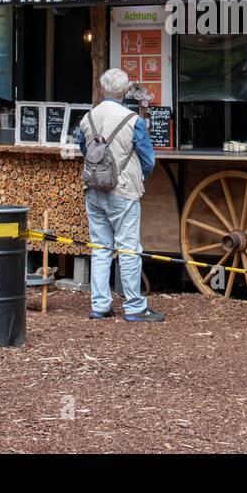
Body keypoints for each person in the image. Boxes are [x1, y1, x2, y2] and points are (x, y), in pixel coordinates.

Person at [75, 69, 161, 322]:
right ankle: (134, 306)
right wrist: (139, 175)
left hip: (93, 188)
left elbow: (84, 148)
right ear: (124, 92)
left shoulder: (87, 118)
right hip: (123, 189)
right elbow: (148, 159)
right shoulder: (133, 120)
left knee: (100, 247)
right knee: (128, 247)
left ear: (103, 90)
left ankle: (100, 305)